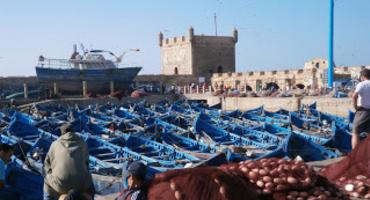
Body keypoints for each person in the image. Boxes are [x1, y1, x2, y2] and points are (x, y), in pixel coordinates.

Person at [43, 123, 94, 200]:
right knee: (90, 183)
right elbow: (86, 164)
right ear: (74, 132)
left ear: (62, 133)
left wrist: (50, 173)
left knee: (47, 182)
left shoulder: (55, 144)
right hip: (81, 185)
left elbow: (46, 164)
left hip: (60, 186)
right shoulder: (83, 143)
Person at [352, 68, 370, 148]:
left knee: (355, 132)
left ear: (363, 76)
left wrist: (355, 107)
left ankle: (354, 155)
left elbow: (354, 95)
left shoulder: (362, 84)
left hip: (362, 110)